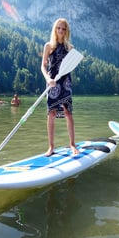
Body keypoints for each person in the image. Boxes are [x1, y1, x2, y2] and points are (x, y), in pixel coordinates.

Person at [41, 18, 78, 156]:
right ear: (55, 29)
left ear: (66, 31)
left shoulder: (70, 48)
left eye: (64, 28)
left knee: (68, 113)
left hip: (66, 82)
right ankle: (51, 147)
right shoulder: (49, 46)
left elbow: (72, 63)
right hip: (52, 82)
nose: (61, 31)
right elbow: (43, 66)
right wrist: (48, 78)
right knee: (51, 113)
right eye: (59, 28)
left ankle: (72, 144)